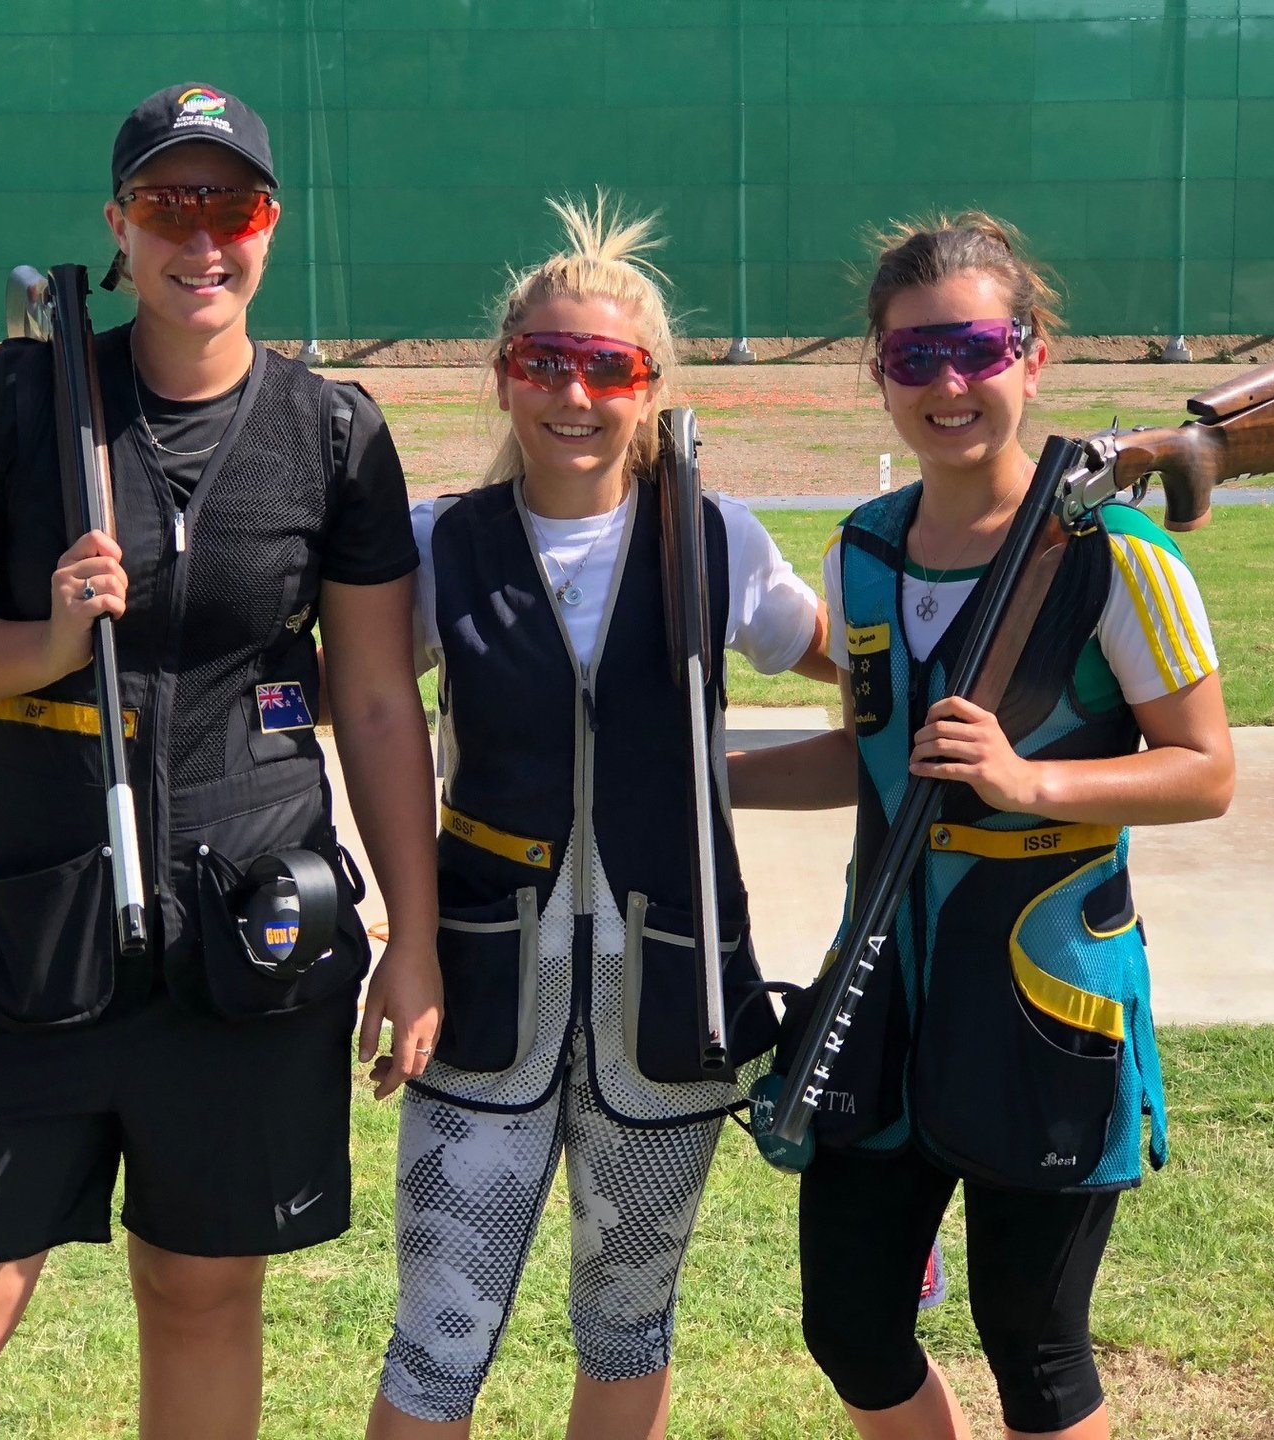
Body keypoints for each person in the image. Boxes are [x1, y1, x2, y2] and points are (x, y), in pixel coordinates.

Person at [0, 83, 440, 1440]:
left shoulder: (335, 432)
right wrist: (49, 641)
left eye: (231, 205)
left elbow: (372, 702)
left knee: (200, 1291)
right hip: (27, 926)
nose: (202, 237)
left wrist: (411, 939)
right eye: (168, 205)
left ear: (271, 224)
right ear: (118, 227)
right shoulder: (26, 401)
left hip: (248, 931)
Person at [731, 213, 1235, 1440]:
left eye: (977, 349)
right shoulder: (863, 551)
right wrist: (702, 781)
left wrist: (1030, 783)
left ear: (1033, 356)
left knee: (1035, 1347)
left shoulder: (1120, 556)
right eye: (915, 356)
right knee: (851, 1326)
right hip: (880, 989)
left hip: (1043, 986)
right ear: (879, 373)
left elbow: (1206, 771)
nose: (947, 384)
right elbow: (872, 761)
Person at [365, 195, 835, 1440]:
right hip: (479, 996)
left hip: (669, 1003)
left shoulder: (717, 541)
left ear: (652, 387)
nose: (574, 395)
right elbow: (354, 704)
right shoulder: (439, 546)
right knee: (435, 1339)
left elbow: (868, 674)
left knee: (630, 1325)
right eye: (544, 362)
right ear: (502, 375)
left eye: (608, 368)